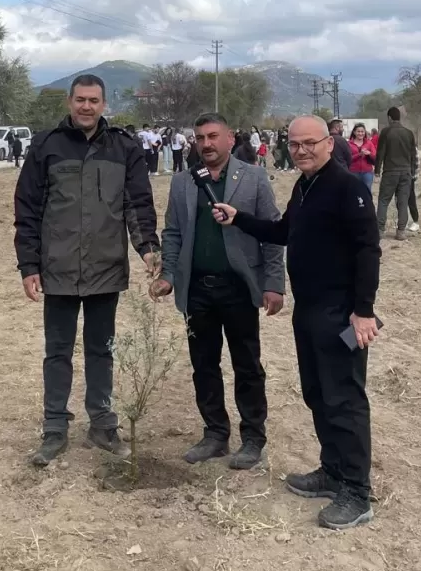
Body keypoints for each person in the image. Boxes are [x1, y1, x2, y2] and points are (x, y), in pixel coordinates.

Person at [211, 115, 382, 531]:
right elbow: (284, 231)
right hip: (308, 311)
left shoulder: (346, 189)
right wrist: (239, 218)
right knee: (317, 395)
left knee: (345, 400)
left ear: (329, 142)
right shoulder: (305, 187)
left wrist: (363, 310)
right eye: (295, 143)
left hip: (340, 313)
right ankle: (332, 471)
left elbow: (368, 251)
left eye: (310, 143)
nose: (302, 150)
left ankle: (357, 492)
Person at [15, 74, 160, 468]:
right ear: (69, 101)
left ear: (104, 104)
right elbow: (27, 209)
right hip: (57, 269)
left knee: (102, 350)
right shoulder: (46, 146)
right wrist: (28, 264)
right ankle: (54, 429)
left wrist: (148, 249)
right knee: (57, 351)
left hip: (105, 269)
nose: (86, 107)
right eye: (80, 99)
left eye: (94, 101)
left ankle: (102, 424)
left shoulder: (124, 148)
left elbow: (138, 204)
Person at [152, 113, 285, 470]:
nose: (206, 144)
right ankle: (215, 435)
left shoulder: (253, 177)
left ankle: (253, 438)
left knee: (247, 366)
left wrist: (274, 283)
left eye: (213, 136)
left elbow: (271, 233)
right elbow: (174, 232)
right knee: (204, 365)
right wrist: (168, 274)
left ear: (229, 139)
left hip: (239, 288)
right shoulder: (182, 182)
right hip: (198, 290)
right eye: (200, 137)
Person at [374, 107, 417, 241]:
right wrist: (413, 172)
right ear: (399, 117)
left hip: (390, 172)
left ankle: (380, 230)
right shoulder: (409, 133)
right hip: (406, 172)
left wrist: (377, 171)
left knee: (383, 201)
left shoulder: (386, 132)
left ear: (389, 118)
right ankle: (401, 232)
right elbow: (413, 155)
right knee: (403, 202)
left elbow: (380, 153)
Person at [348, 124, 377, 191]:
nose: (360, 133)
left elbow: (375, 157)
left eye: (362, 131)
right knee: (354, 192)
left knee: (367, 192)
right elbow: (348, 158)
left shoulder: (369, 143)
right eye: (358, 131)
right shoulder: (349, 144)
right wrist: (359, 154)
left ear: (365, 132)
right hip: (353, 172)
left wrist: (369, 153)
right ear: (354, 132)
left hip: (367, 172)